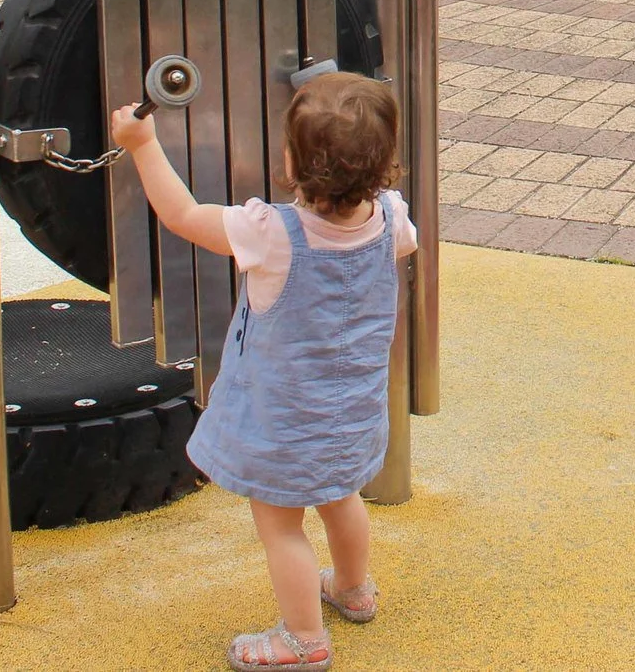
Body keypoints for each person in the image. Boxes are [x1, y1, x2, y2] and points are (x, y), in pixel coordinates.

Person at [109, 71, 416, 671]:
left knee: (281, 528)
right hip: (352, 410)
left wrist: (141, 144)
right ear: (385, 165)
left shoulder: (271, 233)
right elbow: (398, 244)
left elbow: (183, 215)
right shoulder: (391, 222)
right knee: (341, 495)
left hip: (284, 422)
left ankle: (303, 640)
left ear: (291, 162)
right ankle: (353, 588)